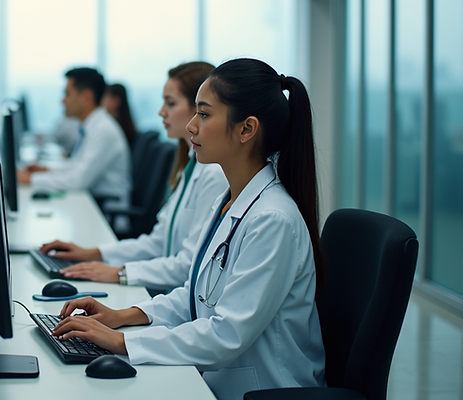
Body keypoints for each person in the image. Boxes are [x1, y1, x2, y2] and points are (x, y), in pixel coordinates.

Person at [50, 58, 326, 400]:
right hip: (218, 377)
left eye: (205, 114)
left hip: (262, 388)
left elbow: (226, 334)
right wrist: (121, 316)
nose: (192, 126)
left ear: (246, 129)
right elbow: (195, 296)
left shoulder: (273, 220)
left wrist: (123, 341)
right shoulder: (231, 202)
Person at [39, 62, 228, 292]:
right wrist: (94, 253)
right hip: (167, 289)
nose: (161, 111)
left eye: (171, 103)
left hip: (174, 293)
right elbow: (158, 243)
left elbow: (188, 264)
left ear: (198, 110)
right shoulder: (188, 166)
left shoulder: (213, 175)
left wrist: (118, 272)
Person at [18, 68, 131, 205]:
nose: (63, 101)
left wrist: (31, 179)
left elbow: (79, 180)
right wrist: (46, 170)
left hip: (105, 214)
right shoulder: (91, 125)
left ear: (87, 97)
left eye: (67, 94)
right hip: (91, 203)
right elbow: (77, 165)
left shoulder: (103, 130)